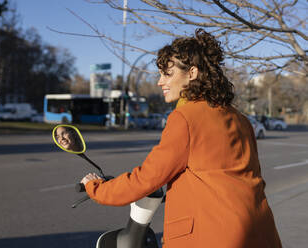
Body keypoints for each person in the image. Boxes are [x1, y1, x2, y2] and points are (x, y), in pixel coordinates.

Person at [81, 29, 282, 247]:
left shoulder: (185, 118)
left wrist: (97, 188)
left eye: (167, 74)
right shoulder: (239, 118)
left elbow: (147, 178)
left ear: (192, 73)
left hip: (212, 237)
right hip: (260, 232)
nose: (160, 82)